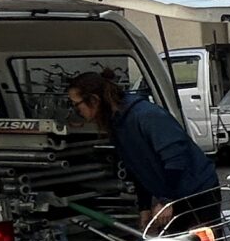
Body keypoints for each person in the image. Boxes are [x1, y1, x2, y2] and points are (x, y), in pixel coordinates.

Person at [66, 69, 220, 230]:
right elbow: (138, 169)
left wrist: (167, 200)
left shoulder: (145, 115)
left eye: (77, 106)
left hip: (197, 191)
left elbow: (176, 158)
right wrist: (144, 207)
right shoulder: (116, 122)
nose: (77, 112)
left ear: (94, 100)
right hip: (173, 193)